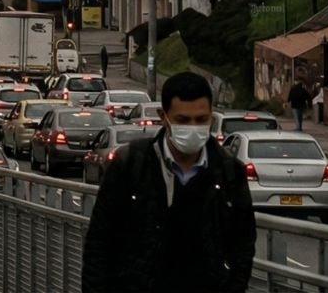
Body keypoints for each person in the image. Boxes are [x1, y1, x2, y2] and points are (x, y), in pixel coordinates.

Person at [81, 71, 254, 293]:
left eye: (201, 120)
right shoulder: (131, 164)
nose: (193, 127)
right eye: (183, 120)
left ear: (211, 116)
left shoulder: (230, 172)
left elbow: (243, 245)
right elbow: (100, 241)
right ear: (164, 117)